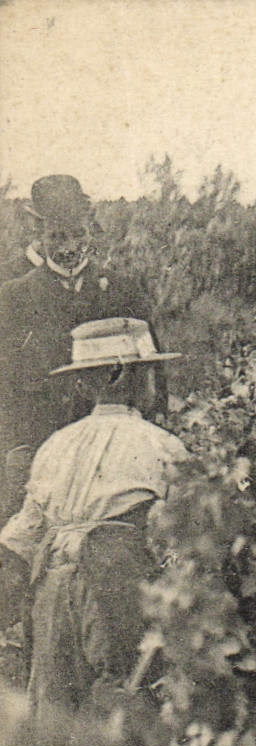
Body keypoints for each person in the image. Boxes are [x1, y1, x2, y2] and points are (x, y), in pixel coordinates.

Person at [0, 318, 188, 714]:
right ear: (125, 374)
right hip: (116, 592)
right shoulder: (162, 445)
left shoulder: (55, 446)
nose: (154, 382)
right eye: (149, 371)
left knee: (57, 720)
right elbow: (185, 539)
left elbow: (21, 536)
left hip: (51, 590)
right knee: (128, 710)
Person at [0, 176, 154, 526]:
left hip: (113, 447)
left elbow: (151, 370)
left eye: (77, 235)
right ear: (39, 236)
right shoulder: (14, 296)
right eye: (57, 237)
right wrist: (11, 449)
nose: (69, 247)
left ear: (90, 231)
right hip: (38, 446)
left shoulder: (122, 290)